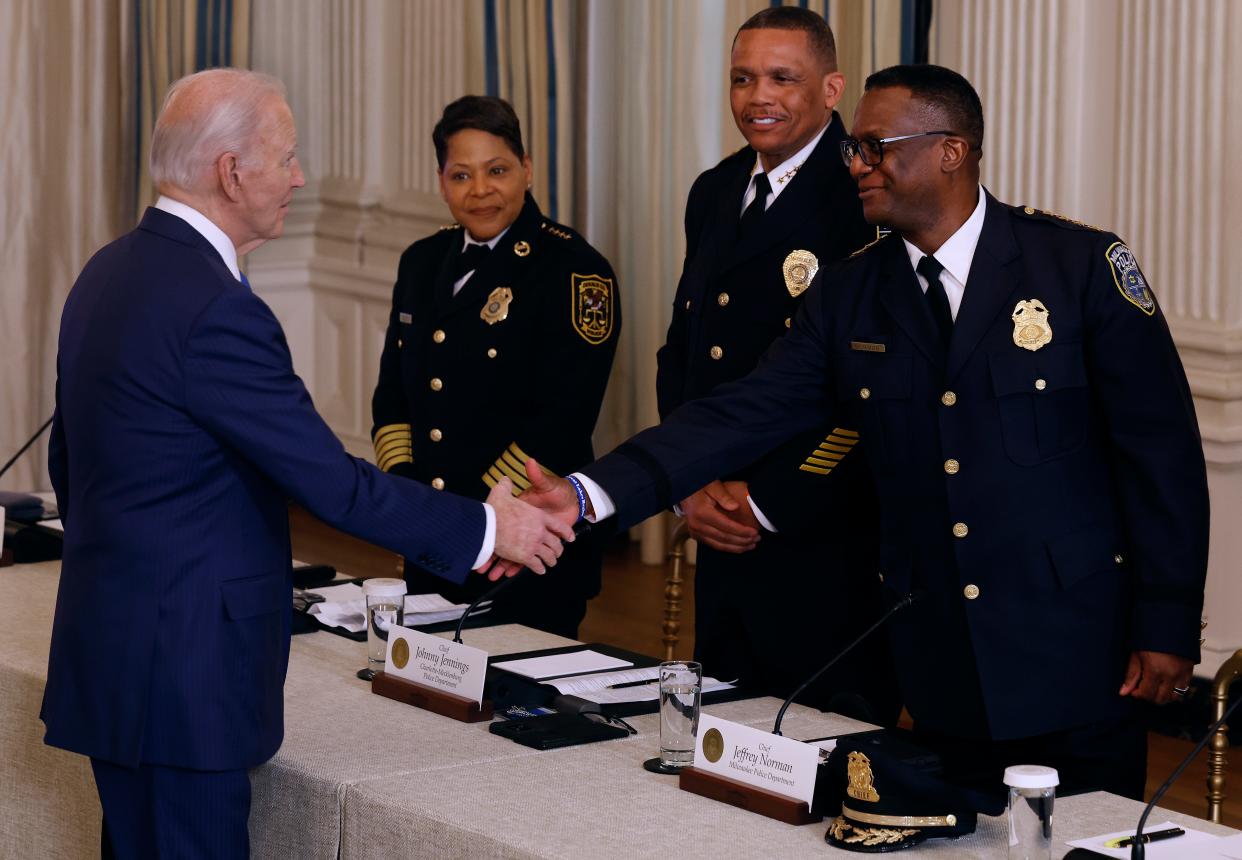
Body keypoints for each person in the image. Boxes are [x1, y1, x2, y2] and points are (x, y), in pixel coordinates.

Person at [518, 64, 1208, 801]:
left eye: (876, 147)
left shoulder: (1078, 267)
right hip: (940, 658)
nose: (856, 165)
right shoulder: (851, 293)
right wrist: (591, 494)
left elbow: (1160, 455)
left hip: (1077, 649)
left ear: (952, 150)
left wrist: (1166, 623)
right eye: (853, 149)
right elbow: (741, 411)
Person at [41, 69, 573, 858]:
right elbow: (330, 481)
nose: (298, 177)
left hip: (114, 652)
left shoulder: (109, 269)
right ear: (231, 172)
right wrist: (486, 528)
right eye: (286, 159)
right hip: (186, 675)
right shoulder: (217, 307)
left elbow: (68, 461)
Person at [656, 6, 897, 720]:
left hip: (821, 527)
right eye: (742, 78)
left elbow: (870, 387)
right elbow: (686, 351)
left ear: (831, 90)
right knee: (728, 739)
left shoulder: (866, 198)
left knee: (824, 749)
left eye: (782, 78)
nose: (758, 95)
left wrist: (763, 500)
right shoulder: (716, 190)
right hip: (717, 518)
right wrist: (689, 477)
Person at [370, 96, 620, 638]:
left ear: (527, 170)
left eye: (497, 170)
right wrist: (413, 497)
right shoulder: (421, 262)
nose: (480, 190)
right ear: (441, 181)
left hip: (529, 540)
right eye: (461, 174)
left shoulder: (576, 271)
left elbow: (564, 419)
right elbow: (393, 397)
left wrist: (475, 515)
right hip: (437, 535)